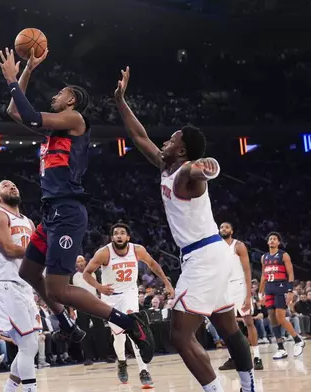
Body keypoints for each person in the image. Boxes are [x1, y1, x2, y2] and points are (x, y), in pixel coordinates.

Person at [0, 48, 154, 364]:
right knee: (28, 271)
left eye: (60, 93)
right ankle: (68, 324)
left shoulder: (76, 119)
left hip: (67, 211)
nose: (54, 96)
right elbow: (15, 111)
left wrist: (13, 78)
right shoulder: (57, 128)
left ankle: (128, 322)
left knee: (58, 290)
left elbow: (28, 114)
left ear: (71, 101)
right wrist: (26, 70)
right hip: (51, 212)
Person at [114, 66, 255, 392]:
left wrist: (208, 166)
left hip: (204, 257)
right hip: (210, 255)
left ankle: (216, 390)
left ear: (181, 150)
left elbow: (204, 168)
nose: (165, 141)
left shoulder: (188, 174)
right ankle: (250, 387)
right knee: (227, 327)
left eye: (172, 139)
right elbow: (139, 137)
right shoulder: (166, 165)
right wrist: (121, 101)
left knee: (180, 334)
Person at [83, 223, 174, 388]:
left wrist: (167, 283)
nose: (119, 235)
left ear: (128, 237)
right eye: (116, 233)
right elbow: (86, 273)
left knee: (136, 331)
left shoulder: (137, 250)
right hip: (110, 298)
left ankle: (144, 371)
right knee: (119, 337)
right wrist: (99, 287)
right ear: (112, 238)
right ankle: (122, 361)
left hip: (129, 294)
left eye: (122, 233)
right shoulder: (104, 253)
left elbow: (153, 264)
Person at [0, 180, 41, 392]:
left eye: (14, 185)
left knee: (32, 345)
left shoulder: (28, 222)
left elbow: (32, 259)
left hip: (24, 286)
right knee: (27, 344)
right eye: (6, 186)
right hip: (5, 285)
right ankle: (30, 389)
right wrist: (41, 251)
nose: (12, 187)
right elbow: (8, 249)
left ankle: (9, 389)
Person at [217, 223, 264, 370]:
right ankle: (234, 357)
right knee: (229, 325)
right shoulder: (216, 247)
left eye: (226, 227)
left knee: (248, 321)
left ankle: (257, 357)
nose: (223, 229)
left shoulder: (239, 246)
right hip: (225, 287)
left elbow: (247, 270)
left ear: (232, 230)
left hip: (239, 286)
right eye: (221, 228)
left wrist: (248, 296)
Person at [258, 232, 305, 359]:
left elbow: (290, 274)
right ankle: (280, 348)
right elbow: (263, 275)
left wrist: (290, 291)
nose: (272, 240)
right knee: (272, 318)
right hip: (269, 288)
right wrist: (260, 293)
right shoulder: (264, 257)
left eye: (274, 239)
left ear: (278, 242)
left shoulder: (283, 255)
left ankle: (297, 339)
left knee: (280, 317)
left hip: (280, 287)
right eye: (270, 239)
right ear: (267, 242)